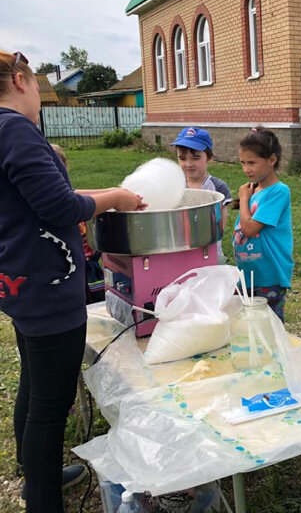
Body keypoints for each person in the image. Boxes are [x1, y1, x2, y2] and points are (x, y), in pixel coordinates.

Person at [0, 51, 145, 513]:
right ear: (20, 79)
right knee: (49, 405)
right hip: (48, 287)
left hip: (21, 283)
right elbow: (61, 208)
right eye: (36, 85)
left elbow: (50, 196)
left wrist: (114, 195)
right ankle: (42, 499)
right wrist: (116, 197)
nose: (40, 97)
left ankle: (34, 477)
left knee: (33, 386)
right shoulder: (15, 129)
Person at [232, 128, 293, 321]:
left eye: (252, 163)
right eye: (243, 163)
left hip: (269, 276)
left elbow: (250, 229)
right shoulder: (254, 190)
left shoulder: (279, 192)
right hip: (247, 274)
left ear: (271, 160)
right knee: (247, 325)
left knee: (269, 326)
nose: (246, 169)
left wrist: (243, 199)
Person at [50, 144, 106, 303]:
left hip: (89, 268)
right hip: (68, 270)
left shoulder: (71, 198)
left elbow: (79, 196)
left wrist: (116, 193)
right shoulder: (55, 205)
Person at [170, 126, 232, 261]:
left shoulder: (218, 188)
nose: (188, 164)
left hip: (209, 253)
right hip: (179, 253)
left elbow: (219, 228)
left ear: (209, 158)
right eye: (182, 158)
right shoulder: (174, 187)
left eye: (195, 158)